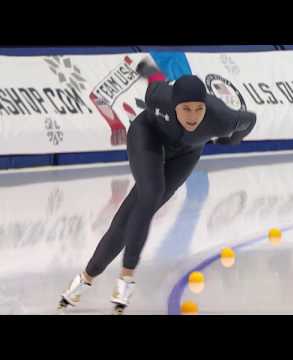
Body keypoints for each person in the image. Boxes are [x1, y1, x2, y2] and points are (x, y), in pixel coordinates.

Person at [58, 60, 257, 314]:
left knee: (137, 209)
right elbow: (155, 79)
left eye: (199, 109)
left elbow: (250, 120)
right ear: (175, 105)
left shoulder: (221, 118)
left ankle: (84, 279)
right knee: (149, 193)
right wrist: (147, 70)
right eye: (186, 109)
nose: (193, 116)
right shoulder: (159, 97)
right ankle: (124, 277)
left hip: (186, 153)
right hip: (148, 136)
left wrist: (232, 140)